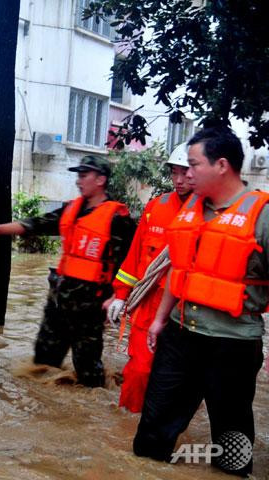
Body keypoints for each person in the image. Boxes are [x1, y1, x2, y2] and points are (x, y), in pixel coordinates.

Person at [133, 127, 268, 476]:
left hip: (233, 342)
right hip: (179, 335)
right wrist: (160, 320)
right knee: (150, 437)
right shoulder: (190, 210)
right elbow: (180, 271)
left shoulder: (262, 215)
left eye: (193, 165)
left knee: (231, 446)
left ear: (221, 165)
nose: (186, 173)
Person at [0, 156, 135, 387]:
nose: (79, 181)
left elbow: (129, 261)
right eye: (79, 176)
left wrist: (118, 297)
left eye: (84, 176)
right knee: (44, 363)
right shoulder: (71, 209)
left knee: (88, 372)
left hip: (90, 303)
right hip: (60, 296)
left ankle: (87, 413)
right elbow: (38, 224)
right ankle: (44, 408)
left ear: (100, 180)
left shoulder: (118, 219)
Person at [105, 144, 192, 413]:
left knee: (179, 382)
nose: (178, 180)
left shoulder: (211, 212)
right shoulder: (156, 207)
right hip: (148, 307)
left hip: (186, 312)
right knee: (138, 372)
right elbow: (134, 258)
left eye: (185, 172)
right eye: (174, 172)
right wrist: (120, 296)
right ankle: (126, 428)